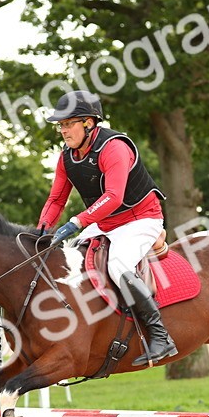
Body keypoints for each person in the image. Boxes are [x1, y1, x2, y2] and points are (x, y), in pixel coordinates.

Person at [37, 90, 178, 366]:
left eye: (68, 124)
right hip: (105, 223)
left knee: (117, 265)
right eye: (61, 126)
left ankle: (160, 336)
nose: (63, 131)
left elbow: (114, 196)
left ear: (89, 122)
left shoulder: (114, 147)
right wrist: (42, 232)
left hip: (141, 218)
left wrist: (77, 222)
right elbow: (56, 199)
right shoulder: (67, 157)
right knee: (70, 259)